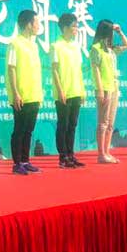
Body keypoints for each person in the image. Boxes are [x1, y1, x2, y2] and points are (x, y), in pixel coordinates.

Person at [5, 10, 43, 175]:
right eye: (36, 22)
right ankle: (17, 163)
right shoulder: (15, 44)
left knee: (29, 130)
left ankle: (26, 161)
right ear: (28, 24)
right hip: (21, 95)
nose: (38, 26)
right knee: (19, 130)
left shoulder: (34, 45)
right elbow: (11, 69)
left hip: (34, 95)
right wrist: (15, 93)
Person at [89, 19, 127, 164]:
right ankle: (101, 154)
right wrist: (100, 90)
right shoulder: (96, 48)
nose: (112, 34)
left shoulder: (111, 49)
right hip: (104, 88)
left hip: (114, 87)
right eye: (111, 31)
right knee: (103, 122)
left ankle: (107, 152)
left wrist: (120, 32)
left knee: (110, 123)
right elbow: (95, 71)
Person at [52, 13, 86, 168]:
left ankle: (71, 155)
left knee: (73, 125)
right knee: (63, 125)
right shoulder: (56, 46)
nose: (76, 29)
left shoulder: (75, 46)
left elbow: (79, 70)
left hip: (76, 90)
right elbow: (54, 70)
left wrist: (82, 90)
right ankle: (63, 157)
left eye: (77, 26)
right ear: (65, 27)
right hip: (63, 92)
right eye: (74, 26)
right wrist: (60, 91)